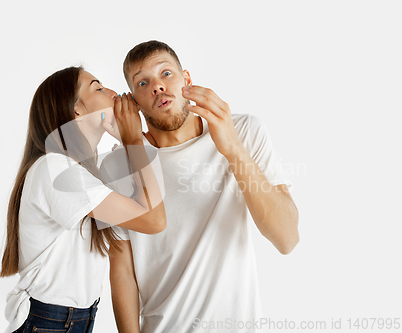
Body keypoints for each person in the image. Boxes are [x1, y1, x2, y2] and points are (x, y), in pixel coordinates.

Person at [100, 41, 300, 332]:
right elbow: (122, 271)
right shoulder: (120, 164)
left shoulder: (243, 131)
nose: (157, 86)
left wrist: (232, 149)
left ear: (187, 81)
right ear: (134, 101)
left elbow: (287, 238)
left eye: (166, 73)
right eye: (143, 82)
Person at [0, 66, 166, 333]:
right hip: (47, 323)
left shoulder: (83, 172)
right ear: (76, 110)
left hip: (71, 321)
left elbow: (148, 210)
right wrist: (133, 137)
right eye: (98, 88)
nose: (113, 93)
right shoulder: (55, 170)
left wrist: (130, 144)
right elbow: (154, 219)